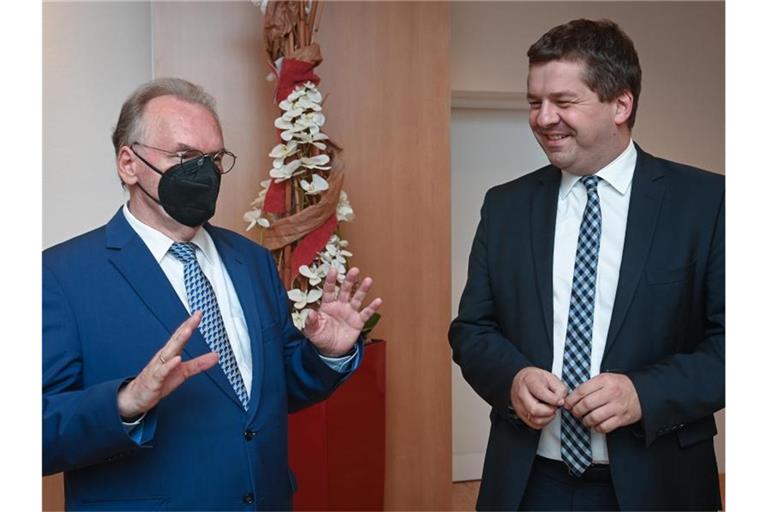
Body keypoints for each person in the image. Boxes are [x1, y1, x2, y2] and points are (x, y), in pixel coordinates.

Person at [42, 77, 382, 511]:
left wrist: (326, 355)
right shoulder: (61, 275)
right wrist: (125, 403)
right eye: (184, 156)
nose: (203, 173)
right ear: (128, 164)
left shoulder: (251, 261)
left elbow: (272, 394)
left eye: (214, 158)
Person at [449, 19, 723, 511]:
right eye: (535, 102)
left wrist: (644, 393)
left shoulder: (708, 203)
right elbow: (472, 330)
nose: (543, 117)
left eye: (563, 101)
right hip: (529, 482)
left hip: (659, 481)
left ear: (621, 104)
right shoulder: (506, 206)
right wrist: (512, 379)